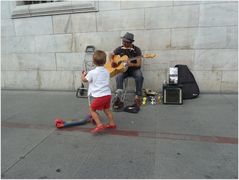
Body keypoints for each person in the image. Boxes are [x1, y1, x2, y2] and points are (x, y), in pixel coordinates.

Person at [81, 50, 116, 134]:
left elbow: (84, 80)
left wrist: (83, 75)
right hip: (107, 95)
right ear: (104, 61)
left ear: (93, 62)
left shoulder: (92, 72)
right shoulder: (107, 71)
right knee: (107, 109)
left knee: (92, 109)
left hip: (100, 96)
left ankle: (99, 124)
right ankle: (112, 123)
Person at [109, 32, 144, 107]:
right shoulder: (119, 49)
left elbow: (139, 64)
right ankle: (118, 97)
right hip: (123, 70)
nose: (124, 43)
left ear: (131, 42)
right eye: (123, 41)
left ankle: (137, 96)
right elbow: (110, 55)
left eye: (126, 42)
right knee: (118, 76)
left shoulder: (137, 50)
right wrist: (112, 61)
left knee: (139, 75)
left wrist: (130, 64)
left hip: (134, 70)